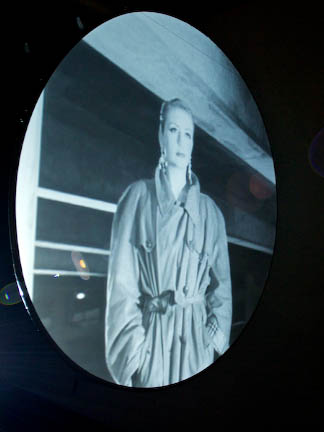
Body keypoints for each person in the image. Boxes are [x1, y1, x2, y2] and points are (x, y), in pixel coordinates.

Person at [104, 98, 232, 387]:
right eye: (173, 130)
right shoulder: (137, 198)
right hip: (153, 341)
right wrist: (134, 356)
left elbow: (221, 285)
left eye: (188, 134)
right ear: (161, 135)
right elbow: (122, 286)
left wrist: (213, 335)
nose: (181, 141)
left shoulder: (211, 213)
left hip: (196, 346)